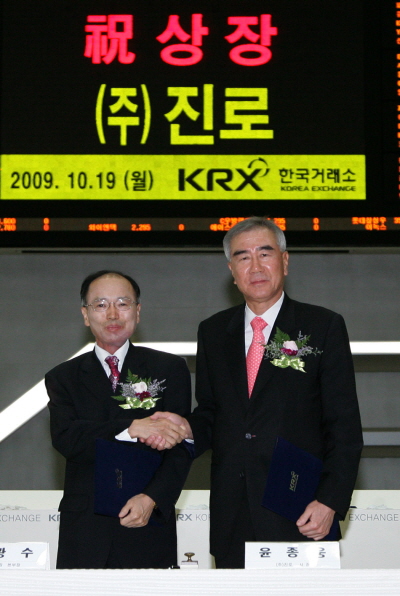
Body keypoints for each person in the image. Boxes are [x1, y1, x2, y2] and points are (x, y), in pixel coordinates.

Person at [148, 217, 363, 568]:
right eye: (243, 257)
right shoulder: (214, 331)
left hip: (302, 508)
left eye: (265, 253)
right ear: (232, 271)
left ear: (285, 261)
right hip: (233, 512)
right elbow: (212, 413)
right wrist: (185, 428)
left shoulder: (322, 326)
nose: (256, 266)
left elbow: (344, 425)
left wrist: (330, 501)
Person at [46, 270, 192, 569]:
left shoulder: (168, 368)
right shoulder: (63, 377)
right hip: (86, 526)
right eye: (101, 305)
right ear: (85, 315)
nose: (112, 314)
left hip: (148, 521)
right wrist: (131, 427)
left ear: (137, 312)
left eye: (123, 303)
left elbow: (181, 446)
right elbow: (67, 438)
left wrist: (152, 499)